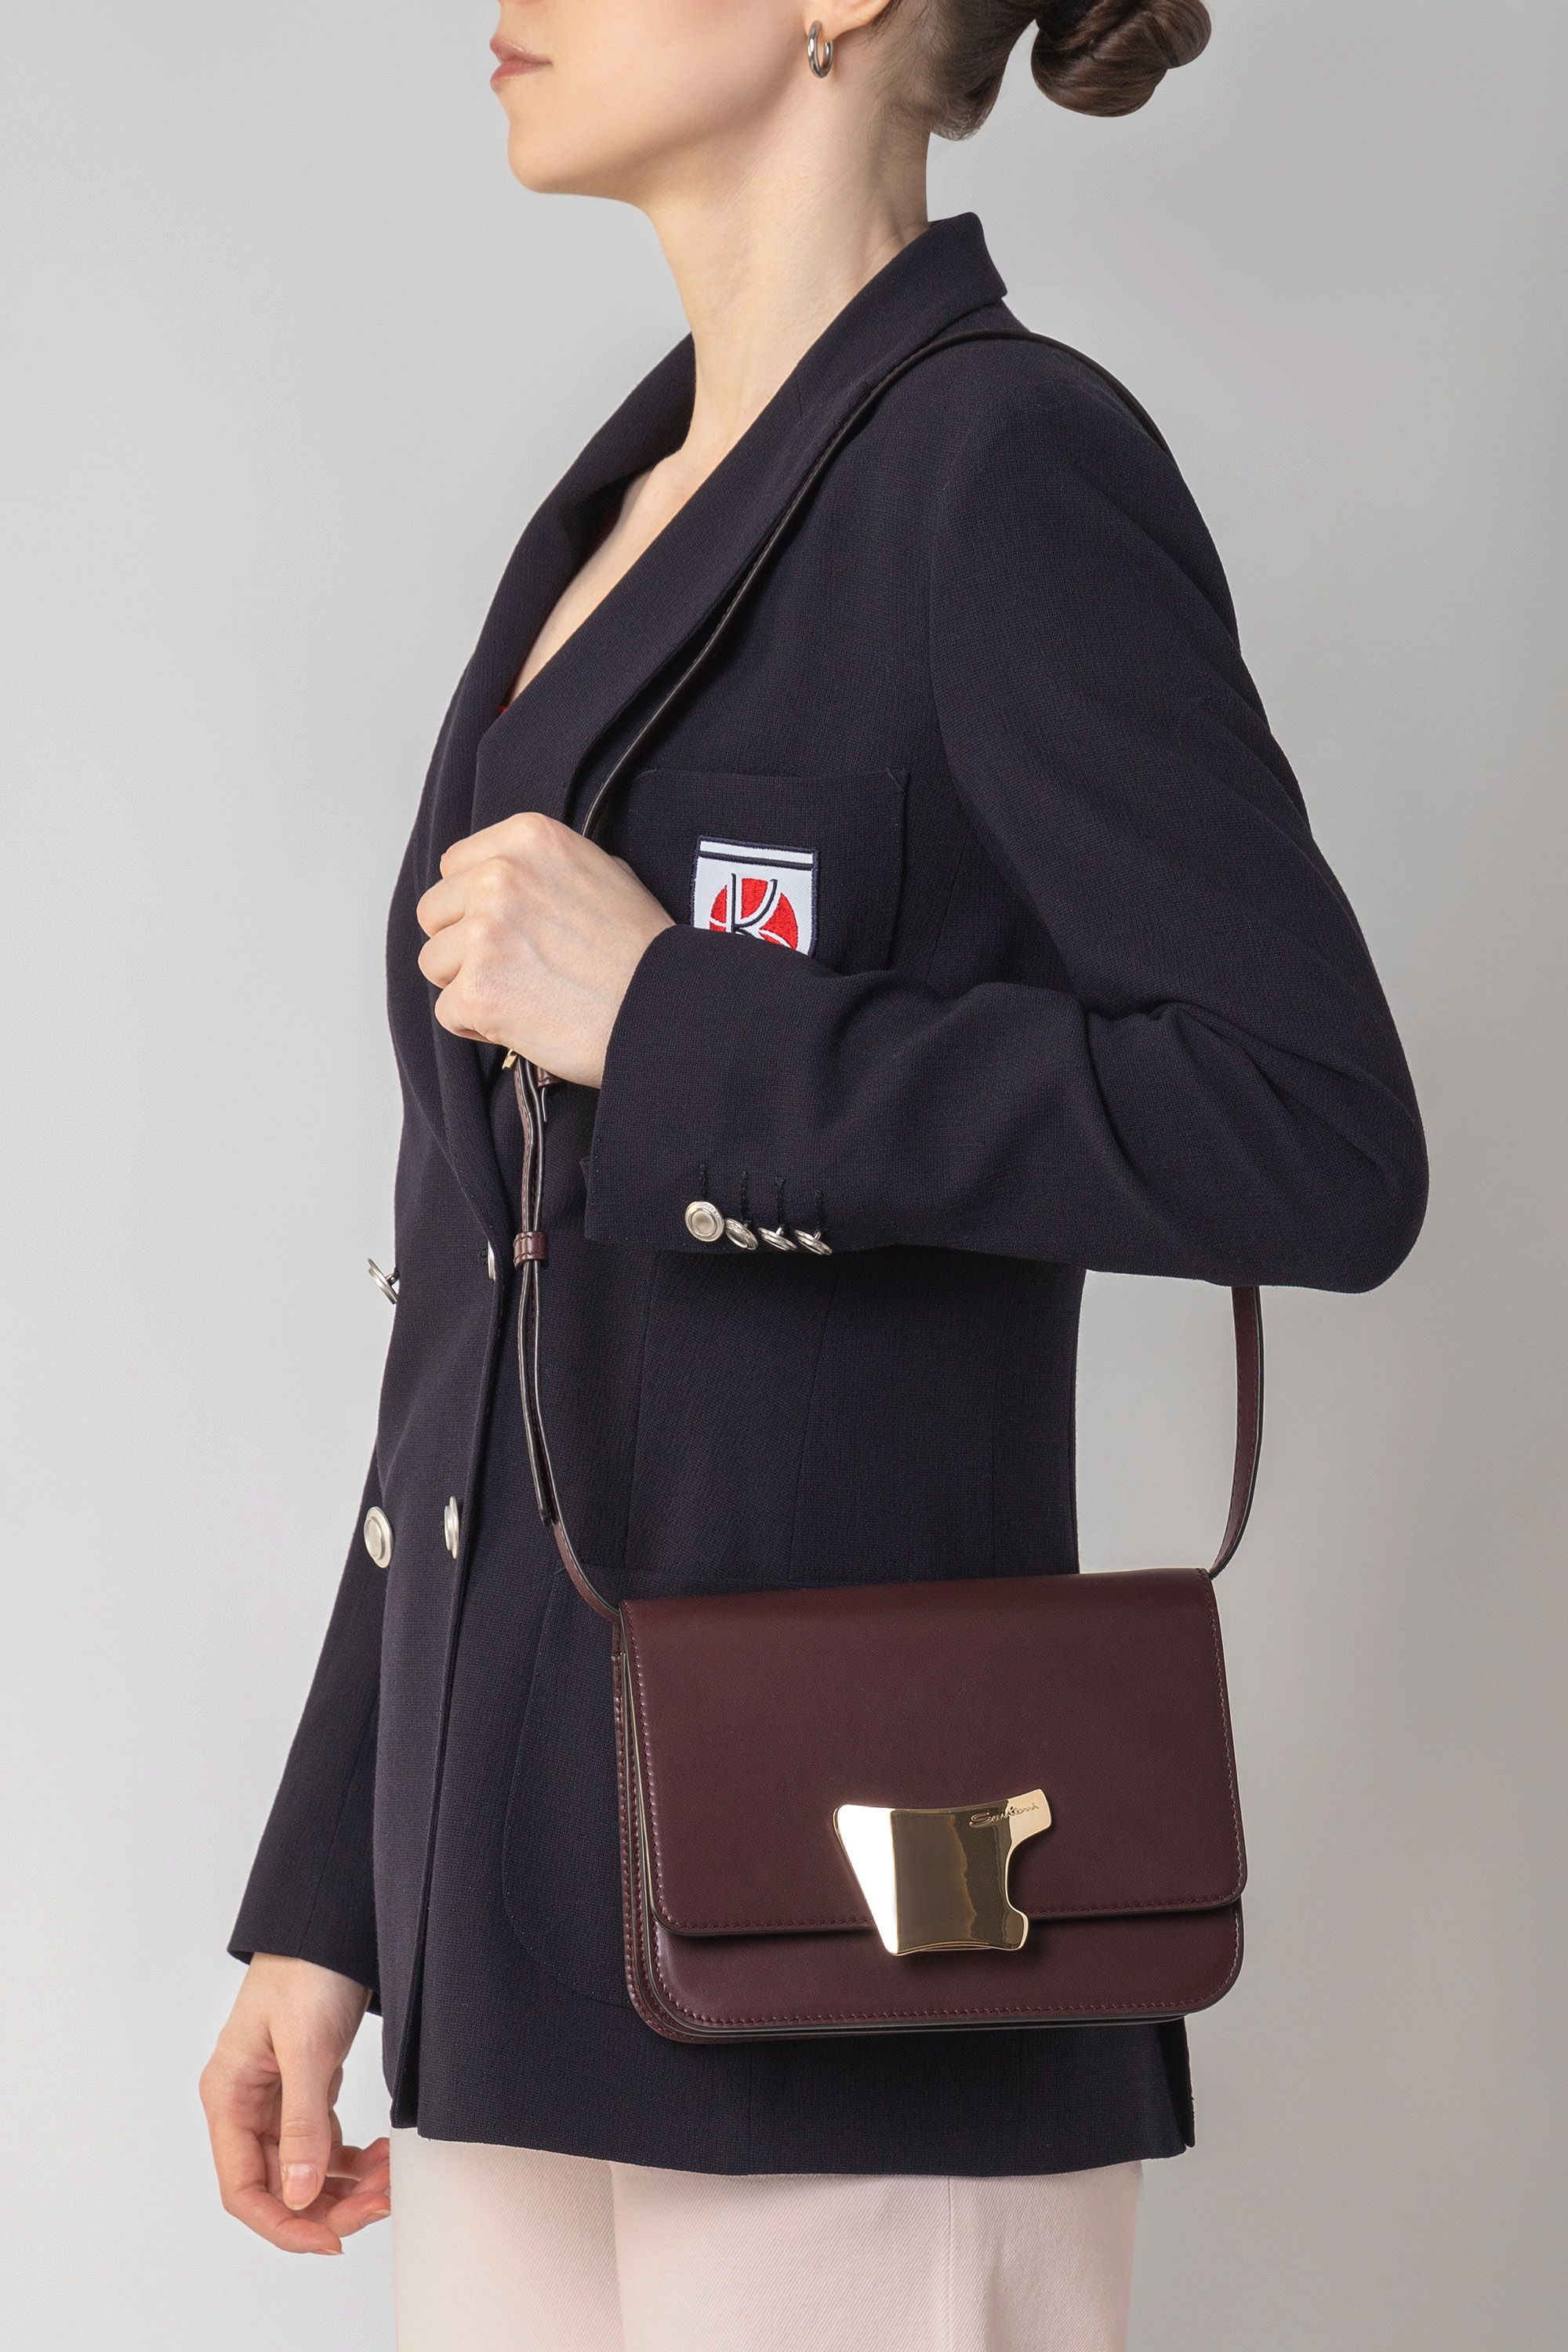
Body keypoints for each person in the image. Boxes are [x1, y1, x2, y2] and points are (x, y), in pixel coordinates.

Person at [199, 5, 1428, 2346]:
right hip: (514, 1946)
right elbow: (483, 1287)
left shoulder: (1003, 467)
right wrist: (327, 1896)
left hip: (876, 1933)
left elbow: (1314, 1133)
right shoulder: (609, 521)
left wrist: (679, 1028)